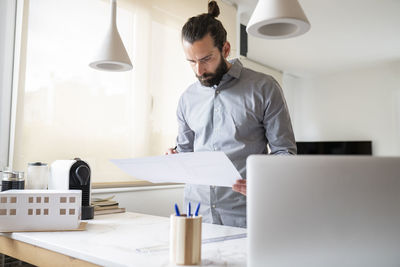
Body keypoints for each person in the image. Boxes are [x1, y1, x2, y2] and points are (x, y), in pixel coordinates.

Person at [166, 1, 296, 228]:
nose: (199, 70)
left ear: (225, 49)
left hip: (246, 216)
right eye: (191, 62)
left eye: (206, 59)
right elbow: (186, 152)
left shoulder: (264, 88)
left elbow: (285, 153)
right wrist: (175, 158)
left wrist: (263, 180)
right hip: (196, 215)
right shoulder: (187, 99)